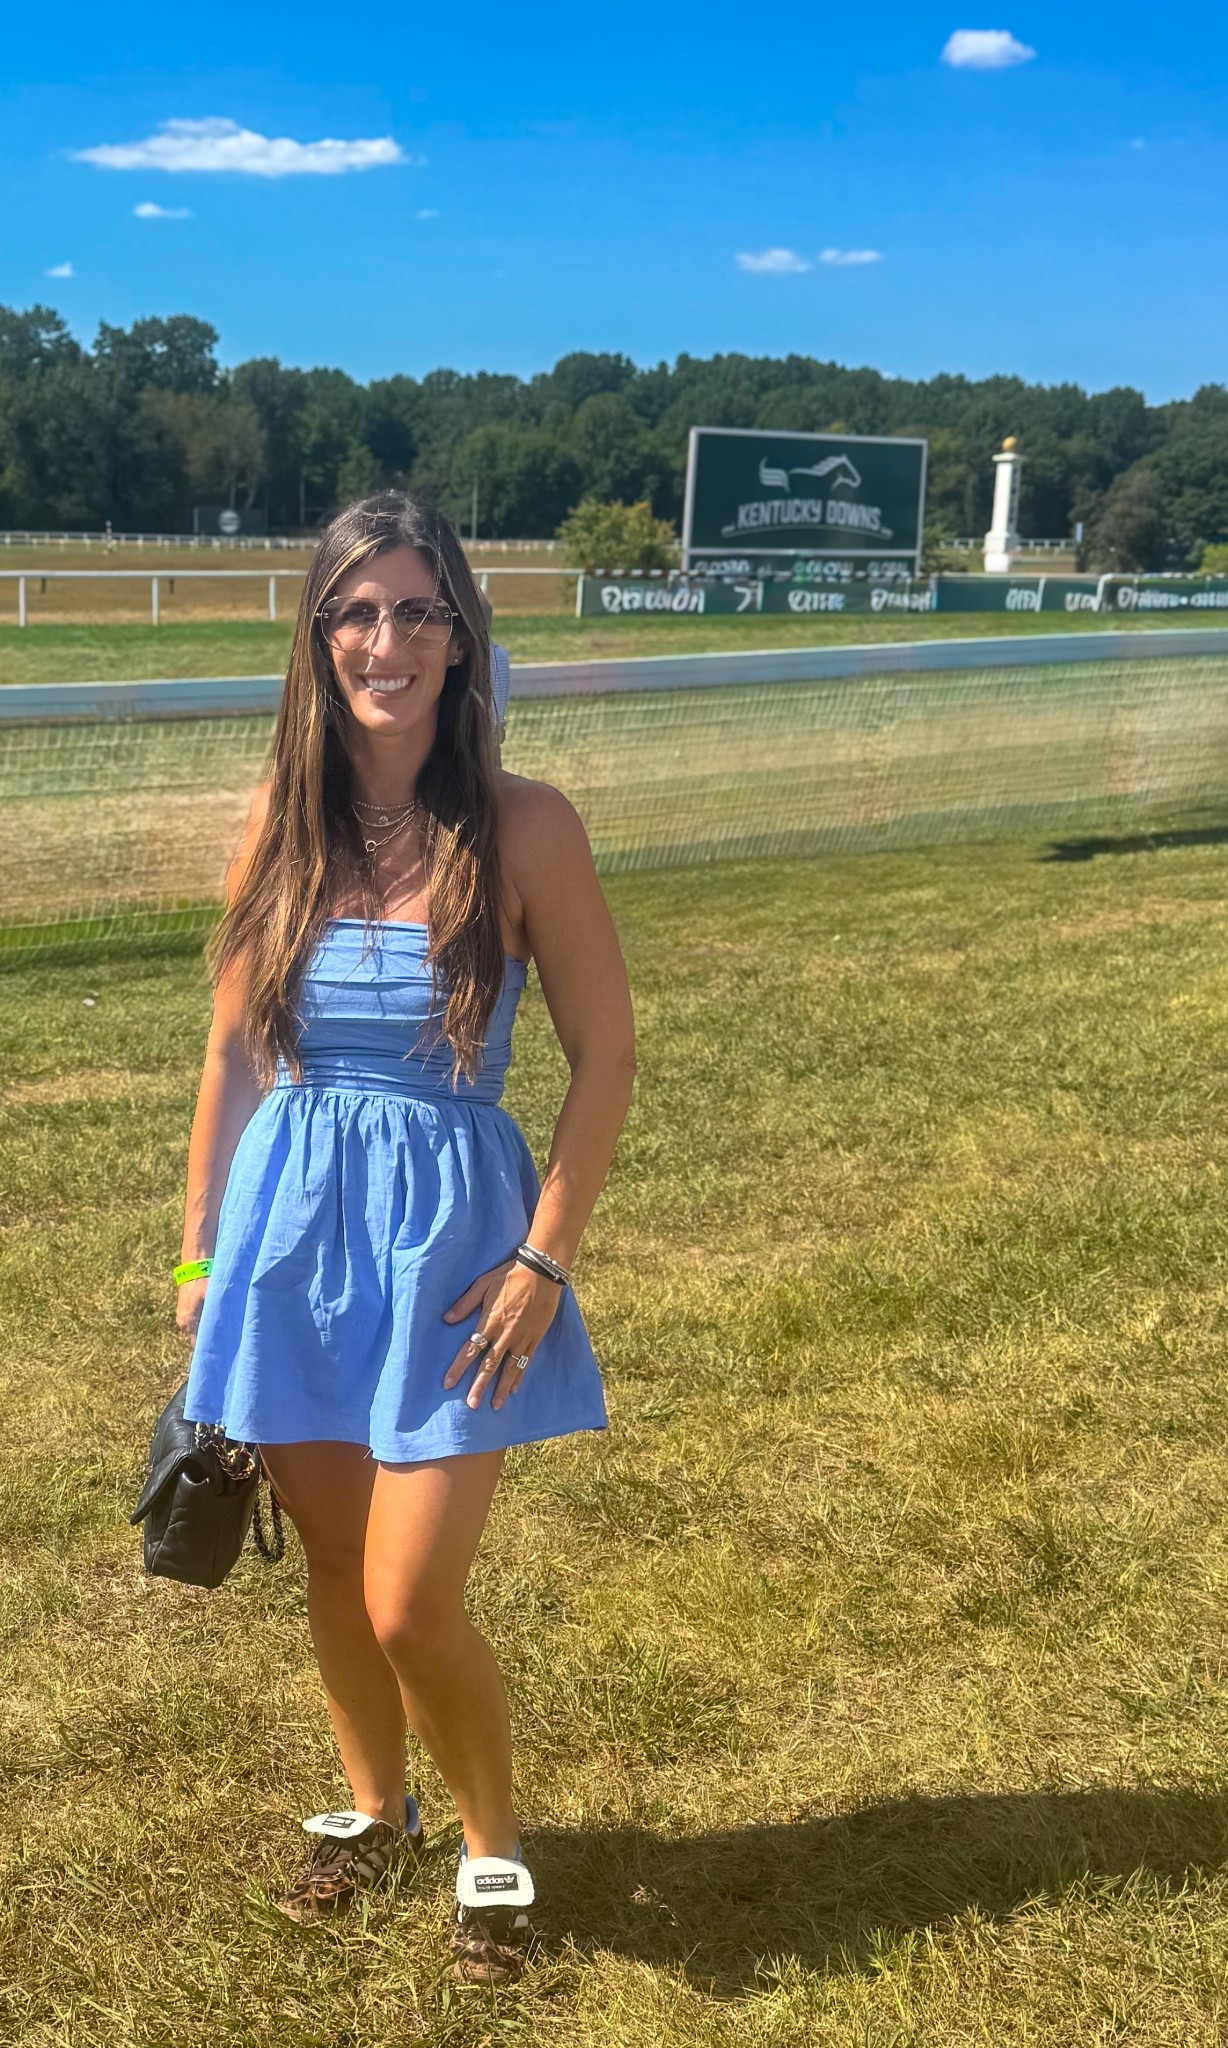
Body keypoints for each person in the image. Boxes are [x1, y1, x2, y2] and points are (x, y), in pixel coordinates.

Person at [174, 491, 637, 1985]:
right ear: (320, 639)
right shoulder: (279, 825)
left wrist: (545, 1255)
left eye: (418, 609)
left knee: (406, 1594)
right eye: (358, 612)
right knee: (327, 1570)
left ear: (460, 635)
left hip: (451, 1247)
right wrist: (199, 1259)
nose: (388, 640)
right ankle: (375, 1812)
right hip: (295, 1233)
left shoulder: (526, 825)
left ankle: (491, 1848)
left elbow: (607, 1056)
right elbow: (235, 1058)